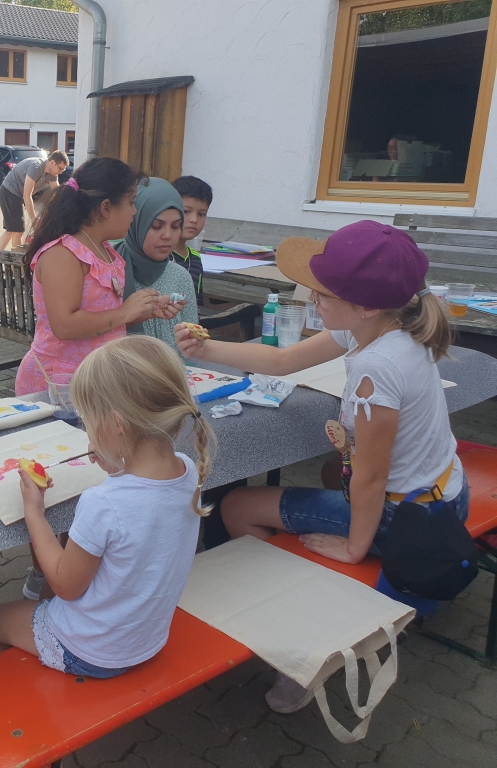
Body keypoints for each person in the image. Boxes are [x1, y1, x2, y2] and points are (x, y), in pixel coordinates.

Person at [175, 220, 464, 714]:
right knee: (328, 477)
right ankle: (299, 597)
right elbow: (284, 360)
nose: (310, 295)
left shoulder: (377, 365)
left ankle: (298, 640)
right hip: (443, 491)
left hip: (408, 516)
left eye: (322, 291)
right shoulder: (383, 327)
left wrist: (353, 548)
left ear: (365, 305)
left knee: (236, 506)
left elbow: (371, 477)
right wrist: (207, 349)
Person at [0, 335, 213, 678]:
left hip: (93, 651)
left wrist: (34, 512)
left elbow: (66, 586)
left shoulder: (103, 503)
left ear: (117, 426)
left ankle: (13, 701)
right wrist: (115, 462)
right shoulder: (187, 470)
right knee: (44, 595)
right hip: (146, 638)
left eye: (88, 422)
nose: (87, 432)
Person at [14, 157, 180, 397]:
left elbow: (102, 320)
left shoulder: (104, 250)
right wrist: (125, 312)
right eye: (131, 202)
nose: (135, 212)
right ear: (105, 208)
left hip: (96, 378)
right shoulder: (63, 254)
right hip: (59, 383)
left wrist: (145, 310)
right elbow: (64, 326)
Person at [116, 178, 196, 353]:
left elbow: (193, 342)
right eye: (156, 226)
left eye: (176, 226)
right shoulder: (110, 271)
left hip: (173, 367)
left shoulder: (180, 276)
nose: (167, 235)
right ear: (136, 223)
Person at [0, 151, 69, 251]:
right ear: (52, 162)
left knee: (11, 230)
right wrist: (34, 219)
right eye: (60, 169)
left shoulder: (52, 173)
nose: (61, 172)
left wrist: (65, 207)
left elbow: (56, 193)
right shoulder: (35, 167)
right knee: (18, 231)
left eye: (63, 170)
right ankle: (16, 260)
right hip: (9, 192)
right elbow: (27, 195)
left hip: (16, 195)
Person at [170, 176, 213, 304]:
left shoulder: (195, 259)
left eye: (201, 214)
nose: (194, 220)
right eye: (186, 211)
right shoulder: (159, 254)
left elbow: (196, 304)